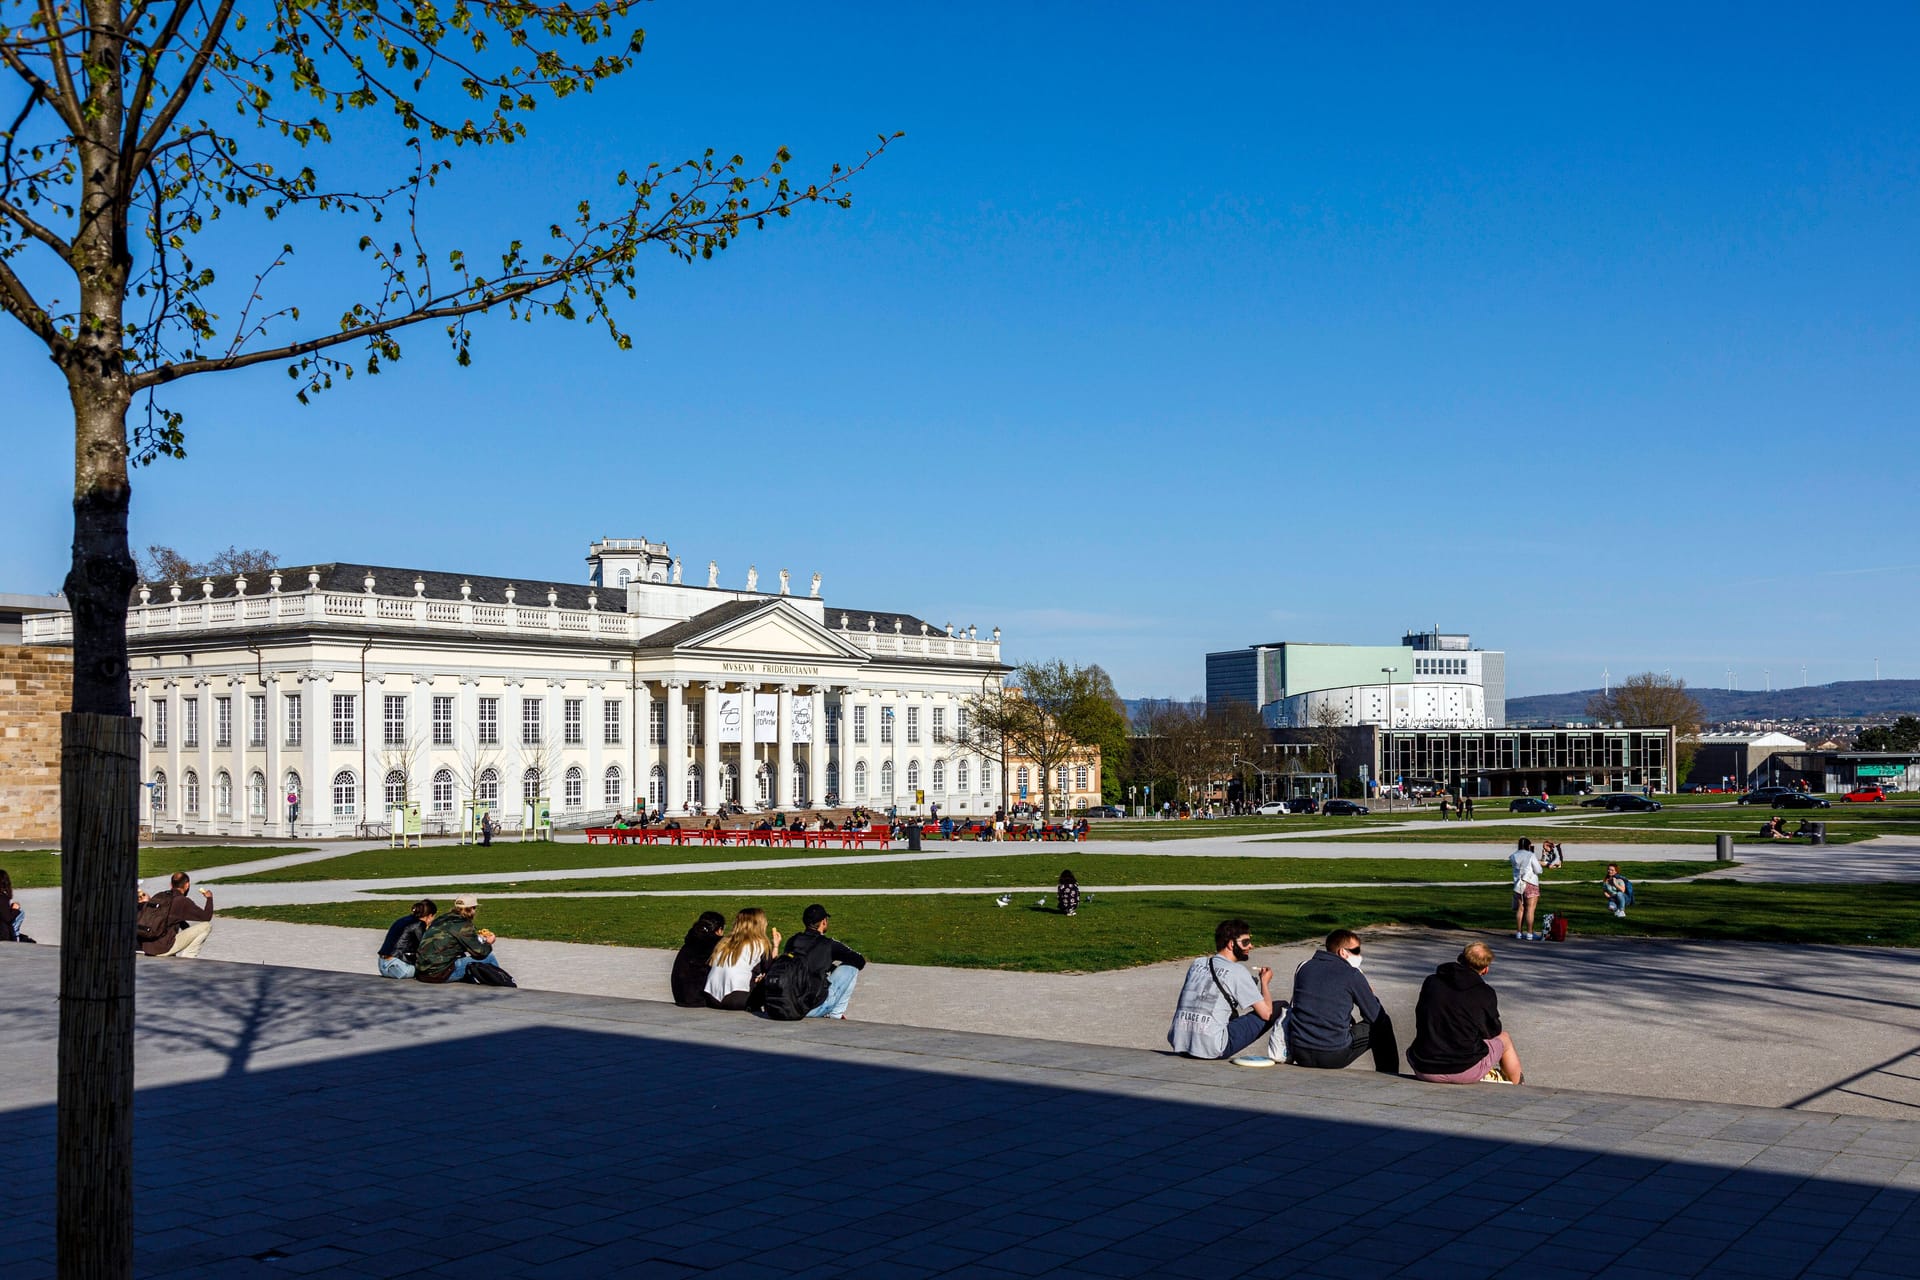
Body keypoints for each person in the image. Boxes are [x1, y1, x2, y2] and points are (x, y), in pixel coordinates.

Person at [1407, 941, 1525, 1085]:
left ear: (1460, 958)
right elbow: (1492, 1031)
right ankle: (1518, 1085)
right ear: (1485, 969)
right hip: (1463, 1069)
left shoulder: (1431, 982)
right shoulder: (1484, 993)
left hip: (1424, 1067)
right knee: (1504, 1039)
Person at [1167, 919, 1282, 1060]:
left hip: (1180, 1042)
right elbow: (1266, 1014)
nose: (1251, 946)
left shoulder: (1197, 963)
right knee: (1280, 1007)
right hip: (1213, 1047)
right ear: (1231, 944)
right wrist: (1264, 982)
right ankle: (1284, 1053)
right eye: (1245, 942)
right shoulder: (1237, 971)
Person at [1286, 929, 1399, 1073]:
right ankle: (1389, 1073)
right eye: (1356, 951)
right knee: (1382, 1024)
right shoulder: (1352, 974)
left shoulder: (1304, 967)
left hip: (1299, 1051)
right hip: (1332, 1054)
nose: (1359, 956)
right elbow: (1374, 1015)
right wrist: (1369, 994)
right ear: (1342, 952)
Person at [785, 903, 867, 1018]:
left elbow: (806, 962)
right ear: (824, 921)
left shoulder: (792, 941)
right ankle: (835, 1014)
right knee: (851, 967)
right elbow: (860, 961)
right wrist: (830, 965)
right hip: (812, 1008)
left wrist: (828, 965)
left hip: (789, 1004)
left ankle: (832, 1013)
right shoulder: (829, 944)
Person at [413, 893, 499, 983]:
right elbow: (480, 953)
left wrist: (477, 938)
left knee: (462, 956)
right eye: (475, 908)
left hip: (422, 972)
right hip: (438, 975)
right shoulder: (463, 925)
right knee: (489, 958)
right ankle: (502, 983)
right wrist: (488, 942)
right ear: (472, 909)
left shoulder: (441, 919)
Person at [704, 907, 779, 1010]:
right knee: (772, 980)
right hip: (738, 999)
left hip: (711, 997)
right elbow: (772, 970)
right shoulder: (760, 944)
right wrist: (775, 946)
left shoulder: (723, 942)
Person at [138, 872, 216, 958]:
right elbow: (207, 916)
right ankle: (188, 958)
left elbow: (173, 919)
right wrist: (209, 898)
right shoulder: (182, 901)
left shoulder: (159, 895)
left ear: (171, 885)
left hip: (147, 947)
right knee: (206, 926)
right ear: (187, 885)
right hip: (162, 949)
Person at [670, 910, 728, 1007]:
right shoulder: (717, 944)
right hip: (700, 998)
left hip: (681, 996)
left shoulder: (689, 942)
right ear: (719, 930)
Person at [377, 899, 436, 978]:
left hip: (382, 966)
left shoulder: (402, 920)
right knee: (434, 971)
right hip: (399, 968)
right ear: (430, 916)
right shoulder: (419, 924)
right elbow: (425, 948)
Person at [1511, 837, 1543, 941]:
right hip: (1530, 883)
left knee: (1520, 909)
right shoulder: (1531, 855)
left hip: (1518, 884)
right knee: (1530, 909)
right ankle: (1529, 933)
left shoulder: (1513, 856)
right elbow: (1538, 870)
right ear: (1529, 846)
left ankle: (1519, 932)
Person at [1, 869, 32, 943]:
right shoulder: (2, 898)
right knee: (21, 912)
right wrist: (15, 909)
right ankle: (15, 937)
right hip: (3, 936)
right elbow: (7, 918)